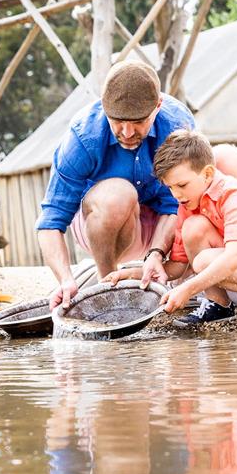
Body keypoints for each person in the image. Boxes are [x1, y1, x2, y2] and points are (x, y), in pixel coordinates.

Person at [105, 129, 237, 325]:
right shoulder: (188, 206)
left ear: (208, 174)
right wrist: (129, 273)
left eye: (182, 185)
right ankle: (219, 305)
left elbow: (234, 256)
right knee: (193, 228)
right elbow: (177, 266)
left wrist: (189, 289)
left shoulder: (233, 195)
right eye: (170, 187)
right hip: (233, 280)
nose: (176, 194)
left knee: (202, 262)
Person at [38, 60, 194, 310]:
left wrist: (155, 253)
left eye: (139, 121)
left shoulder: (177, 125)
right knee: (119, 195)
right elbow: (50, 221)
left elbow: (176, 205)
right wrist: (65, 279)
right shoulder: (83, 136)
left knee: (222, 166)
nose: (128, 132)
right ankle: (108, 285)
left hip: (160, 228)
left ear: (157, 107)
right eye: (118, 121)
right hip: (103, 225)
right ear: (104, 107)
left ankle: (185, 280)